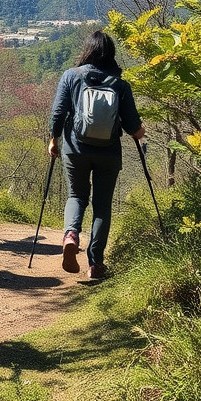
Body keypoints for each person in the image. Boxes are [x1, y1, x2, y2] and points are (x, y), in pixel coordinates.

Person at [48, 29, 145, 281]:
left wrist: (53, 140)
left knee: (76, 195)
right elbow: (132, 125)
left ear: (87, 51)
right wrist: (141, 133)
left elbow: (58, 113)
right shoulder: (120, 84)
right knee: (102, 206)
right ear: (110, 55)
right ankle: (96, 263)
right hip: (109, 152)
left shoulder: (71, 76)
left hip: (75, 148)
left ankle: (70, 235)